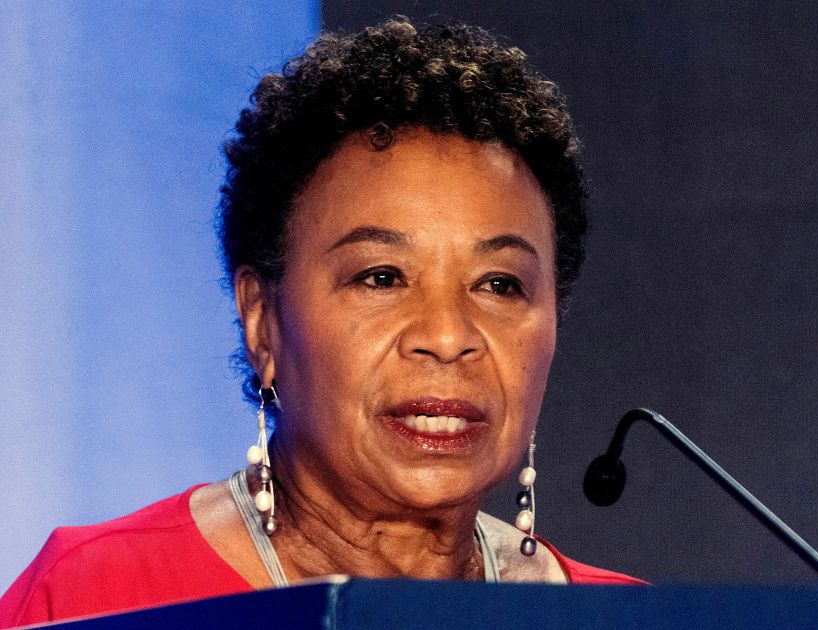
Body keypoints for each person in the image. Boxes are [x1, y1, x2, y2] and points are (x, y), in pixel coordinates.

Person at [0, 16, 643, 627]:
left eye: (499, 284)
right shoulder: (99, 595)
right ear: (263, 319)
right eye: (381, 277)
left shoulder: (626, 621)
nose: (448, 338)